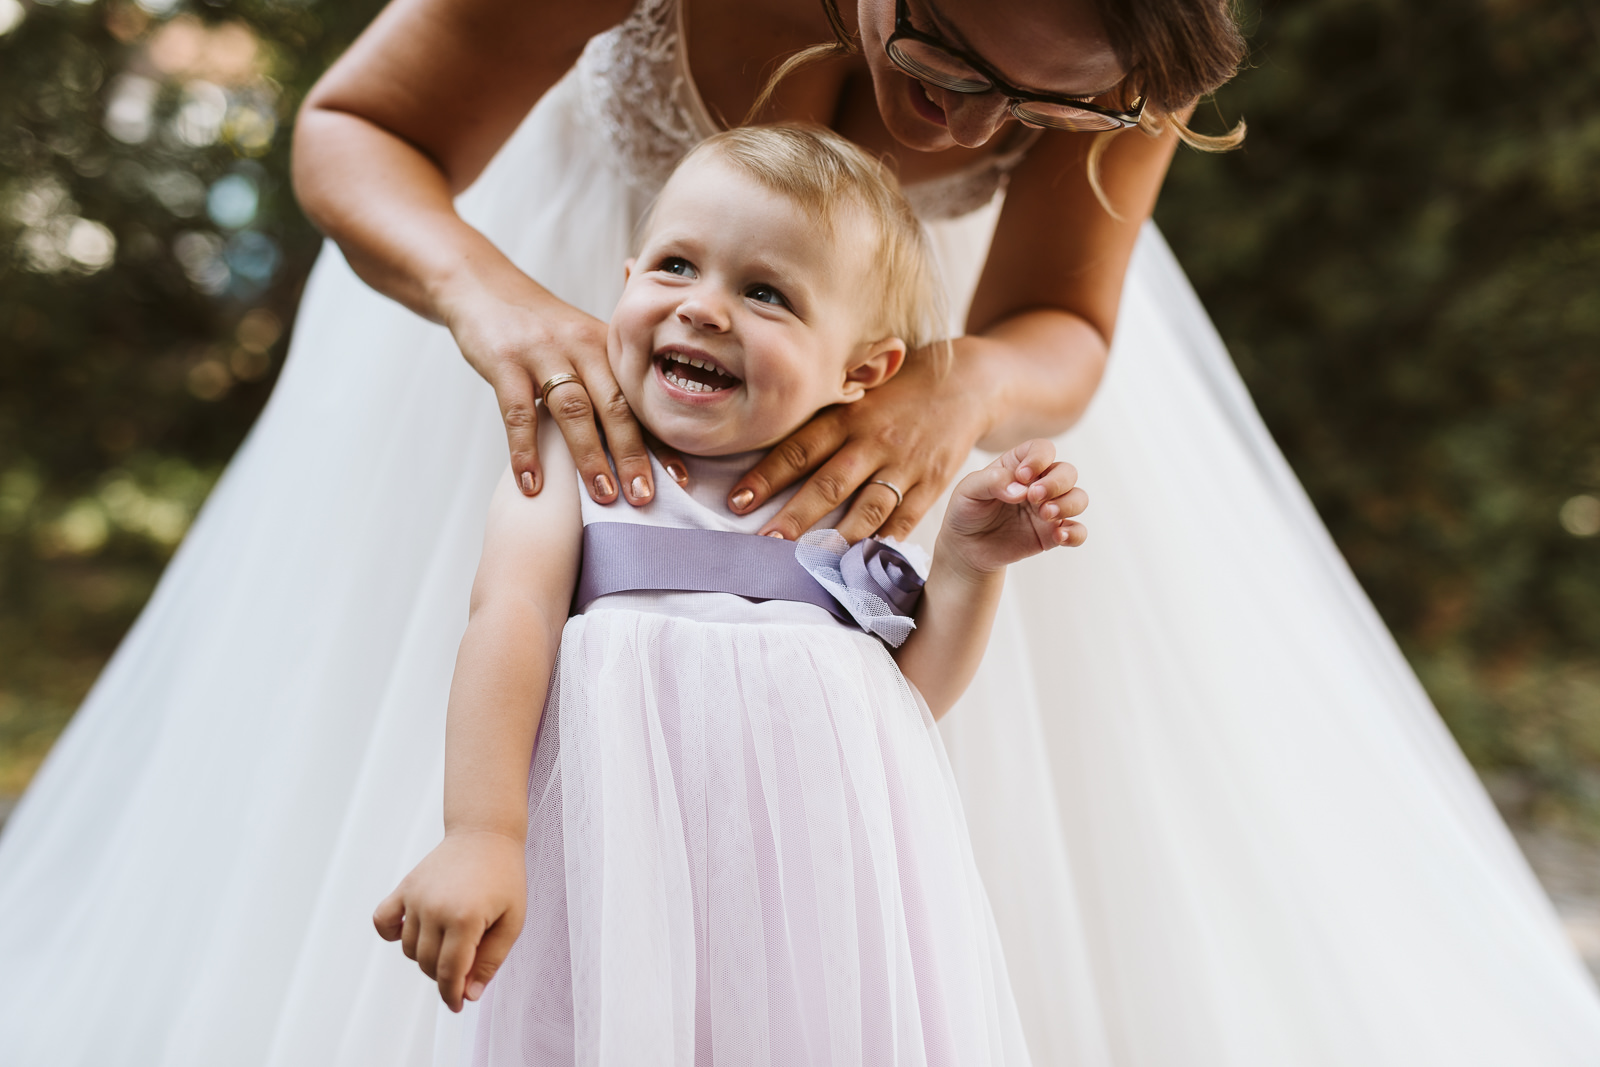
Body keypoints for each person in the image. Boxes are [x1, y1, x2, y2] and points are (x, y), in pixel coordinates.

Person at [0, 1, 1596, 1064]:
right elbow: (361, 130)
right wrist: (504, 311)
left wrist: (962, 390)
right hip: (573, 361)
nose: (980, 136)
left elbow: (1060, 312)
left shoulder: (1119, 41)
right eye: (956, 67)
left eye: (1048, 110)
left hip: (901, 397)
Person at [380, 124, 1086, 1062]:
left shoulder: (843, 488)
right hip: (618, 869)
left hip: (814, 897)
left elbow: (902, 707)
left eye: (766, 293)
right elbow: (508, 620)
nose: (703, 309)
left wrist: (967, 565)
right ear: (627, 277)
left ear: (863, 372)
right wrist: (481, 830)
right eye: (676, 266)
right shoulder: (580, 455)